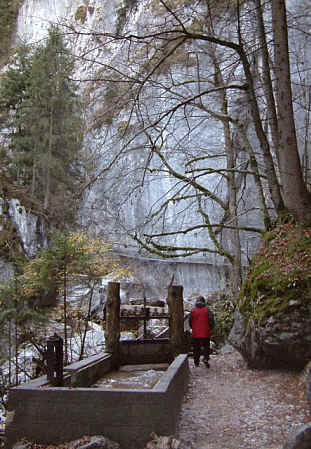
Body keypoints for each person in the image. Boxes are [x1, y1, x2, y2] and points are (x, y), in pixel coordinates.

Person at [189, 296, 215, 367]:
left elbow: (190, 322)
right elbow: (211, 321)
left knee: (196, 348)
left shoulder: (193, 311)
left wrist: (193, 328)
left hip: (196, 333)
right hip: (205, 332)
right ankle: (206, 358)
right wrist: (211, 328)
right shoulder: (207, 310)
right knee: (206, 347)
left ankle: (196, 362)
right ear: (204, 302)